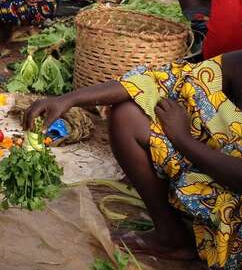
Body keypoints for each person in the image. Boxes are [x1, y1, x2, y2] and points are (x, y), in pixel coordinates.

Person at [24, 50, 242, 267]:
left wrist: (183, 140)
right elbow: (164, 79)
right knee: (128, 116)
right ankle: (172, 237)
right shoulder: (237, 63)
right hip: (217, 169)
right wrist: (68, 99)